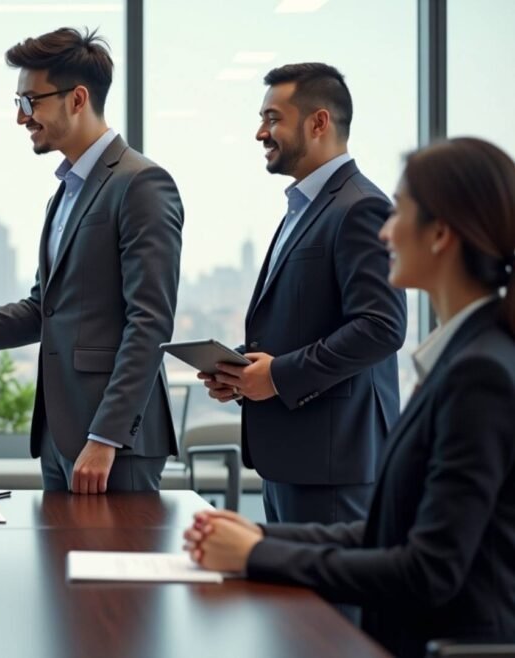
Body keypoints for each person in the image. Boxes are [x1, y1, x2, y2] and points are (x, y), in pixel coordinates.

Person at [184, 137, 515, 658]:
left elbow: (427, 569)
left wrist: (257, 556)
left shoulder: (480, 374)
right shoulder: (463, 358)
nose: (385, 229)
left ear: (442, 234)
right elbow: (393, 533)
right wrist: (262, 539)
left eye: (400, 212)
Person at [0, 28, 183, 493]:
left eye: (31, 102)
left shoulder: (142, 184)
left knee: (113, 565)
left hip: (112, 446)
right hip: (60, 435)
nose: (20, 117)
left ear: (77, 99)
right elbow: (42, 310)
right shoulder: (65, 194)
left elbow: (149, 322)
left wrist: (105, 437)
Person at [199, 63, 406, 524]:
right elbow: (301, 321)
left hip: (333, 465)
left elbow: (381, 327)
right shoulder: (305, 206)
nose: (260, 133)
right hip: (293, 459)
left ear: (319, 123)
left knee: (328, 598)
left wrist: (277, 377)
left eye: (272, 118)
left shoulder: (361, 206)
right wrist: (240, 370)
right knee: (289, 597)